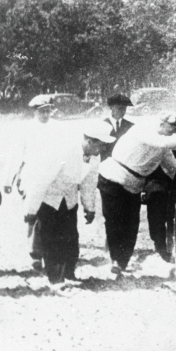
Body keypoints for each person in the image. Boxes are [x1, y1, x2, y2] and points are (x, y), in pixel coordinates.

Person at [98, 112, 176, 276]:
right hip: (113, 178)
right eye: (172, 128)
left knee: (132, 224)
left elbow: (173, 168)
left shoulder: (163, 143)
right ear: (162, 123)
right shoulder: (144, 129)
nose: (173, 132)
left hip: (134, 185)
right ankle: (116, 260)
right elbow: (160, 143)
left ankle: (122, 262)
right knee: (115, 221)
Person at [21, 119, 114, 283]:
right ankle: (55, 279)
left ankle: (69, 273)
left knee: (71, 240)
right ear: (89, 141)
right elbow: (41, 181)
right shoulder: (64, 151)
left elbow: (89, 183)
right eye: (101, 144)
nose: (103, 149)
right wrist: (31, 210)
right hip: (48, 197)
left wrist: (89, 208)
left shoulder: (94, 156)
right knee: (51, 240)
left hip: (69, 198)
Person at [3, 96, 61, 271]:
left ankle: (49, 252)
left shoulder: (57, 128)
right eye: (41, 110)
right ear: (34, 111)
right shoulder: (26, 130)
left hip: (52, 177)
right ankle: (35, 254)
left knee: (50, 214)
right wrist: (8, 180)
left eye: (47, 110)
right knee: (33, 214)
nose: (45, 114)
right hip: (31, 177)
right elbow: (15, 156)